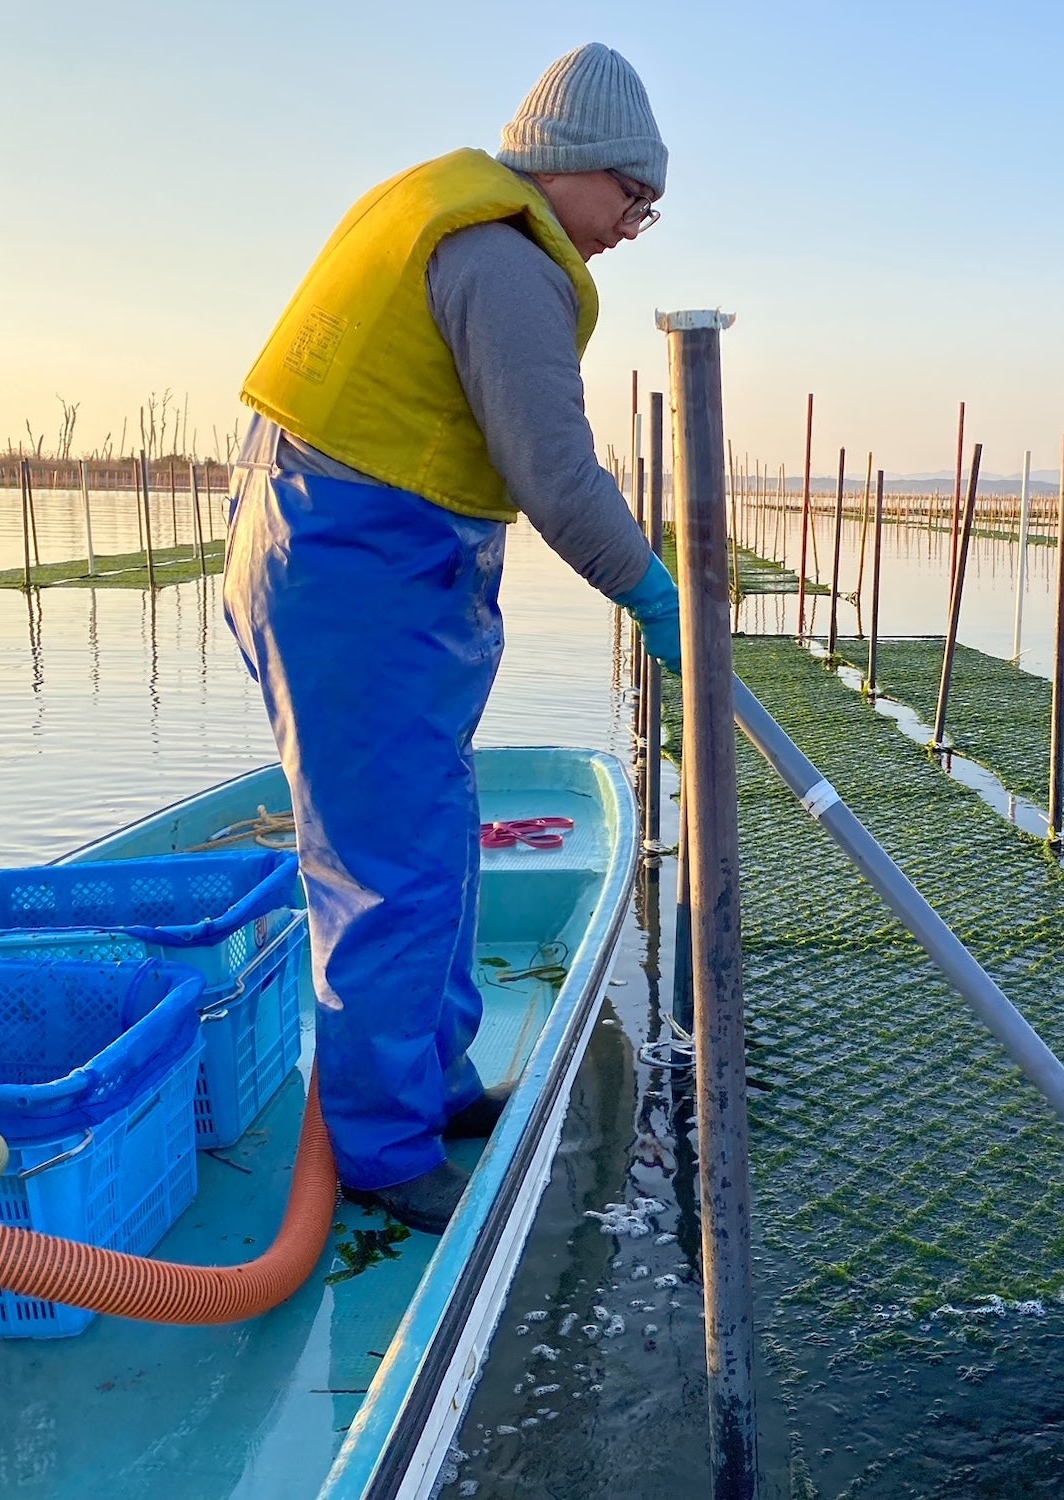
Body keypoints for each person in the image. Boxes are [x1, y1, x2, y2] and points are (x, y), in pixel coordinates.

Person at [223, 43, 679, 1233]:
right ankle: (379, 1151)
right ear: (571, 166)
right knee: (388, 870)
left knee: (438, 841)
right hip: (347, 569)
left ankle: (430, 1084)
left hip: (373, 563)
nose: (636, 223)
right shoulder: (501, 258)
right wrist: (651, 592)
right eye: (632, 195)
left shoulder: (473, 229)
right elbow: (558, 477)